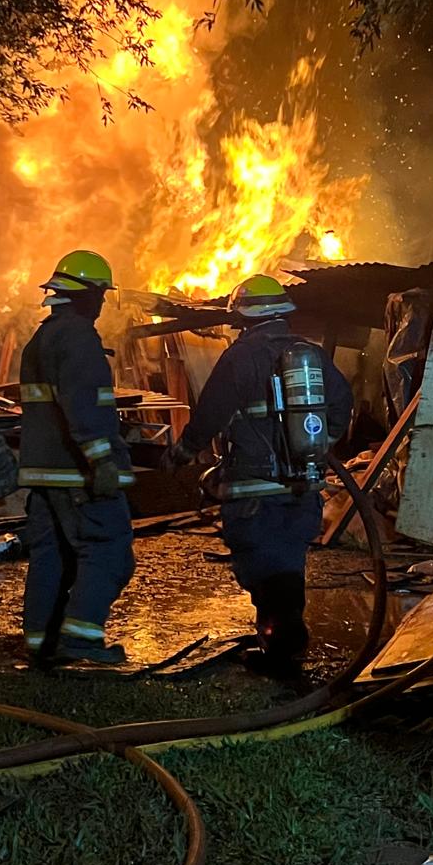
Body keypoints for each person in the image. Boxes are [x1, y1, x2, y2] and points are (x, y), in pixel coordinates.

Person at [168, 274, 352, 666]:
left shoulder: (240, 357)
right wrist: (318, 446)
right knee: (287, 567)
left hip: (254, 491)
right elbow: (342, 404)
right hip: (302, 489)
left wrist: (183, 452)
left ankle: (281, 648)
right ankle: (284, 644)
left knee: (264, 572)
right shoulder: (311, 355)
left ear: (243, 318)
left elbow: (210, 414)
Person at [17, 250, 135, 665]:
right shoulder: (79, 336)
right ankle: (80, 642)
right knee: (110, 550)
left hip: (44, 474)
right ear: (86, 295)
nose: (102, 304)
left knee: (51, 556)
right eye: (100, 295)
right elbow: (83, 404)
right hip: (77, 473)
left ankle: (40, 642)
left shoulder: (42, 337)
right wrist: (100, 459)